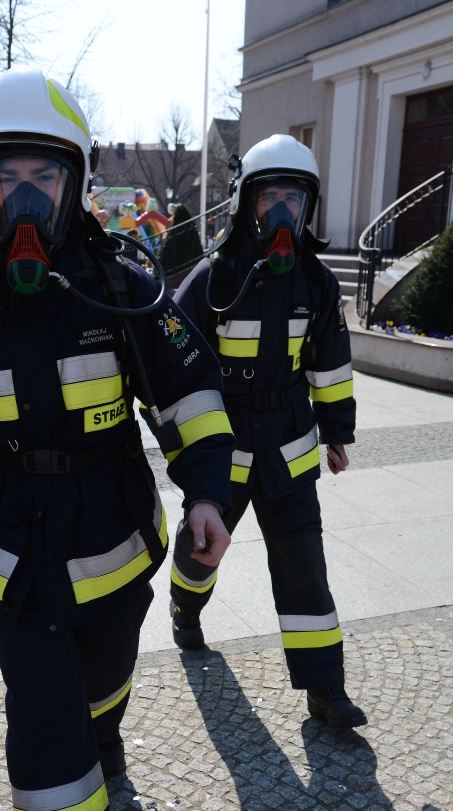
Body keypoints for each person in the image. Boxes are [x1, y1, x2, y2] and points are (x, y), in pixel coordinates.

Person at [0, 67, 235, 811]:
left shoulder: (123, 287)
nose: (25, 197)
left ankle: (105, 736)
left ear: (75, 184)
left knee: (102, 677)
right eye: (8, 178)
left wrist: (205, 492)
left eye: (44, 177)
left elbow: (190, 394)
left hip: (111, 533)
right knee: (41, 711)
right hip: (17, 542)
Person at [171, 133, 367, 730]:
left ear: (307, 208)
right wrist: (188, 449)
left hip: (288, 451)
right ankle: (185, 607)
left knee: (304, 566)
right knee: (202, 549)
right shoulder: (213, 278)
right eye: (270, 198)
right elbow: (174, 363)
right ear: (245, 203)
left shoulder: (318, 282)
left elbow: (330, 364)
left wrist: (337, 431)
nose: (282, 212)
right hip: (223, 451)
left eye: (293, 200)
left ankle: (326, 689)